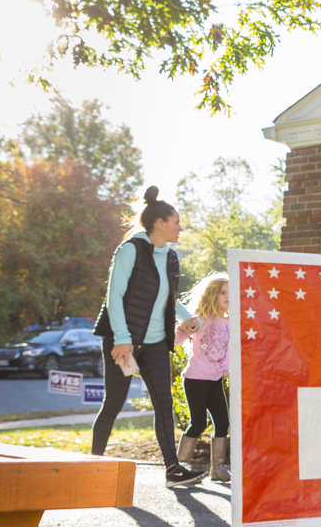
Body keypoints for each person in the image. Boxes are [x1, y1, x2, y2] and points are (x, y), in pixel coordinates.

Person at [91, 186, 206, 488]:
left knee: (163, 403)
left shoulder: (169, 256)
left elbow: (168, 296)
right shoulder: (130, 249)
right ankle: (92, 465)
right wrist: (121, 338)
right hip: (123, 340)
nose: (180, 228)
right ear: (160, 224)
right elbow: (113, 297)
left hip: (155, 340)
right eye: (176, 222)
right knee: (114, 402)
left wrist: (186, 318)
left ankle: (173, 470)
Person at [175, 273, 232, 483]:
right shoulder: (199, 319)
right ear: (211, 295)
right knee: (198, 423)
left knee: (222, 422)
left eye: (229, 292)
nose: (227, 296)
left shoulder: (229, 322)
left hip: (215, 381)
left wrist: (227, 367)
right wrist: (182, 328)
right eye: (222, 292)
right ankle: (183, 465)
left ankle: (217, 468)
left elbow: (230, 350)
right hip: (195, 380)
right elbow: (177, 339)